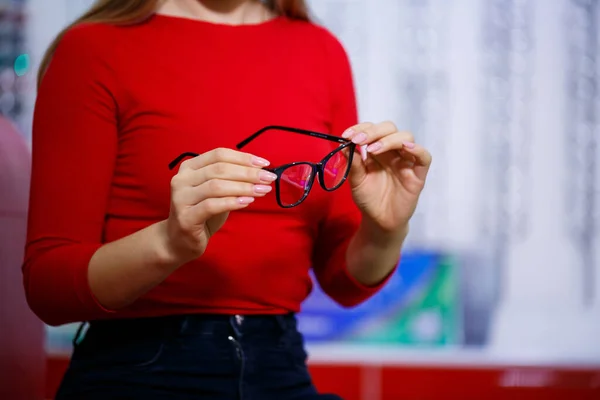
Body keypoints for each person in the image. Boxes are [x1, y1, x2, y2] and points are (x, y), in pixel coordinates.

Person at [24, 0, 432, 398]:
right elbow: (49, 287)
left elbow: (344, 282)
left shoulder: (321, 50)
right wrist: (169, 243)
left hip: (281, 364)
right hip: (138, 371)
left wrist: (385, 229)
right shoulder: (92, 49)